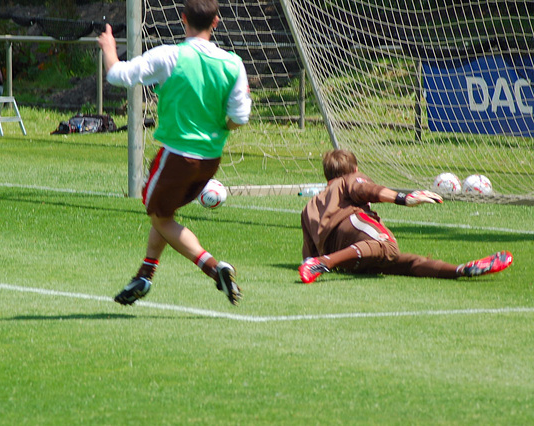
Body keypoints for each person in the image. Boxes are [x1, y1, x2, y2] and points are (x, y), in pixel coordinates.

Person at [97, 0, 252, 305]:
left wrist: (108, 47)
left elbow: (118, 75)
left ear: (183, 19)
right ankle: (145, 274)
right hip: (210, 160)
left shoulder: (170, 55)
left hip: (176, 156)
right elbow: (239, 117)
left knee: (159, 216)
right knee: (165, 214)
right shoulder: (233, 63)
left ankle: (213, 267)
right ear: (216, 22)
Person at [299, 149, 513, 283]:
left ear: (326, 175)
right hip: (351, 228)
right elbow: (368, 190)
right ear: (355, 169)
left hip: (345, 256)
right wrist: (403, 198)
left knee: (408, 263)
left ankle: (460, 270)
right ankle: (325, 263)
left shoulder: (308, 207)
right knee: (389, 247)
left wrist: (317, 260)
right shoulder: (350, 179)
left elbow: (306, 255)